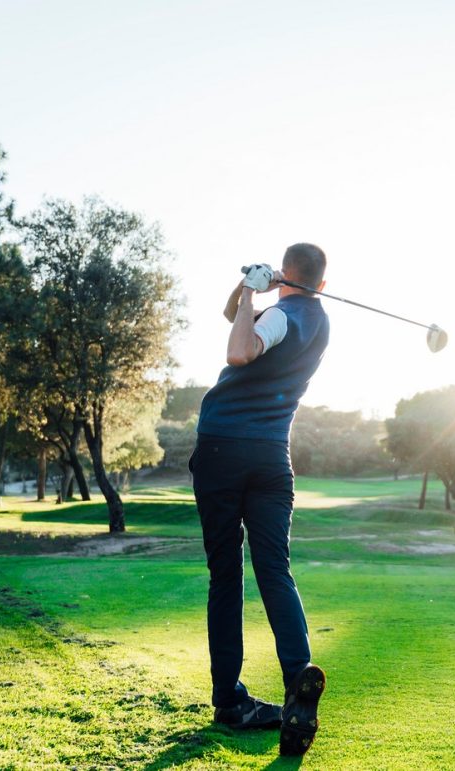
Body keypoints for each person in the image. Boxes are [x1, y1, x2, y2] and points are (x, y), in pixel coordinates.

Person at [189, 243, 329, 757]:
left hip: (225, 448)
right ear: (323, 283)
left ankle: (230, 700)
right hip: (273, 457)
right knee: (275, 571)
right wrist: (250, 289)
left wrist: (254, 287)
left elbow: (239, 348)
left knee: (226, 574)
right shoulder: (318, 320)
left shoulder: (281, 319)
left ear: (287, 273)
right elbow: (234, 317)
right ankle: (298, 680)